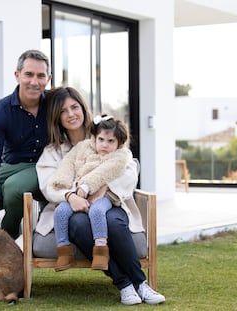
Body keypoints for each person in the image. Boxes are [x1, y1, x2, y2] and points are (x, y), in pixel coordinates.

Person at [36, 86, 165, 305]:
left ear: (83, 108)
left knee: (113, 224)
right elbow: (49, 184)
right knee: (78, 225)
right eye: (63, 111)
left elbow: (129, 168)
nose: (70, 114)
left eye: (74, 107)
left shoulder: (107, 134)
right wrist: (70, 195)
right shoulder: (53, 150)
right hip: (73, 209)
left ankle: (141, 284)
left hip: (111, 202)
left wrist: (104, 187)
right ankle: (124, 285)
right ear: (57, 118)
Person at [0, 49, 51, 240]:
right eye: (28, 74)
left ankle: (9, 232)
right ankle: (2, 243)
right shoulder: (3, 109)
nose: (34, 82)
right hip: (11, 165)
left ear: (48, 78)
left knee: (15, 188)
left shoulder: (55, 103)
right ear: (17, 75)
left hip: (45, 166)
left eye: (40, 76)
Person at [52, 114, 131, 272]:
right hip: (78, 194)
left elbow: (103, 172)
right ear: (94, 137)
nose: (104, 145)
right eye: (101, 139)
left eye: (111, 141)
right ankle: (64, 251)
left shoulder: (119, 156)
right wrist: (63, 181)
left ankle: (101, 252)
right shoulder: (83, 148)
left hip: (103, 196)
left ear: (119, 143)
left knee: (97, 210)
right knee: (60, 211)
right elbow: (68, 162)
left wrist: (87, 186)